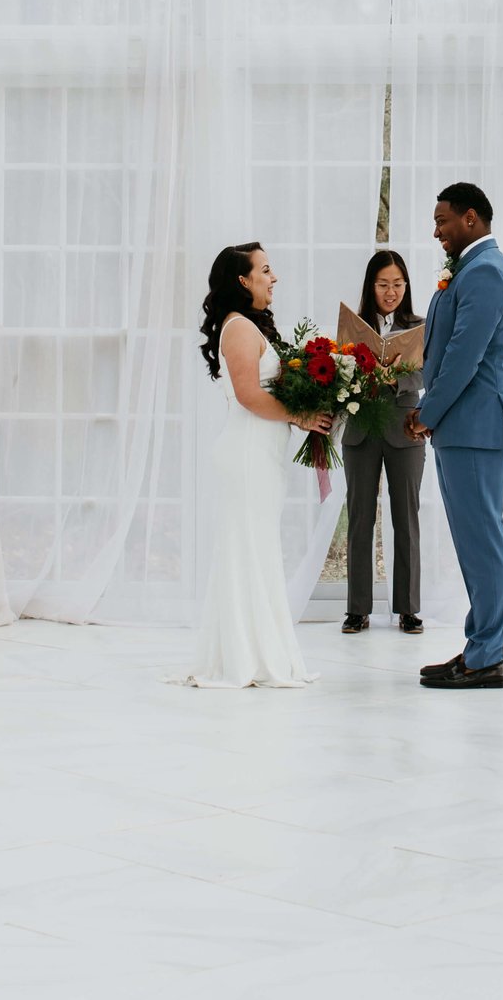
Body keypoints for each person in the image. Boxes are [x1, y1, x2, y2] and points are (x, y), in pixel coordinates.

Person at [175, 242, 336, 689]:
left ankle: (255, 652)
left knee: (256, 548)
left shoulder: (247, 325)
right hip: (246, 453)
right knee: (247, 548)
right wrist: (301, 415)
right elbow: (248, 395)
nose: (274, 277)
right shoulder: (239, 328)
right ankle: (248, 657)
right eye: (265, 270)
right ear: (243, 281)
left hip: (260, 453)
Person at [409, 183, 503, 690]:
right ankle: (479, 647)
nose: (436, 231)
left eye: (442, 221)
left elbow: (463, 357)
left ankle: (488, 658)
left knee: (483, 543)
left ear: (470, 218)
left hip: (475, 423)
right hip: (463, 425)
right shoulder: (473, 270)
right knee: (474, 543)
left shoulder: (486, 273)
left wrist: (425, 413)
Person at [341, 250, 426, 635]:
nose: (390, 292)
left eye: (397, 284)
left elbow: (429, 372)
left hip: (405, 428)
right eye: (382, 284)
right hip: (361, 428)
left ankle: (408, 609)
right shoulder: (355, 326)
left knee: (405, 518)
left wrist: (397, 378)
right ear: (370, 287)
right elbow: (340, 374)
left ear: (405, 287)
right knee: (360, 518)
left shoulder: (420, 326)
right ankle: (357, 610)